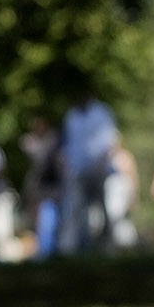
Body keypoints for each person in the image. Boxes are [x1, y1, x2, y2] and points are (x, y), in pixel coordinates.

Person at [57, 89, 117, 255]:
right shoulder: (72, 115)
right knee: (75, 208)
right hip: (77, 170)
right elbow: (69, 143)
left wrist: (100, 163)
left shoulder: (101, 112)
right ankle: (71, 248)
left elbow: (109, 140)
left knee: (103, 210)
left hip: (98, 170)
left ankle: (106, 246)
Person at [19, 115, 60, 260]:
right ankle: (40, 250)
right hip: (38, 186)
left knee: (50, 219)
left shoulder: (53, 140)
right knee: (36, 220)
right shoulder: (30, 142)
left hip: (51, 186)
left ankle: (49, 249)